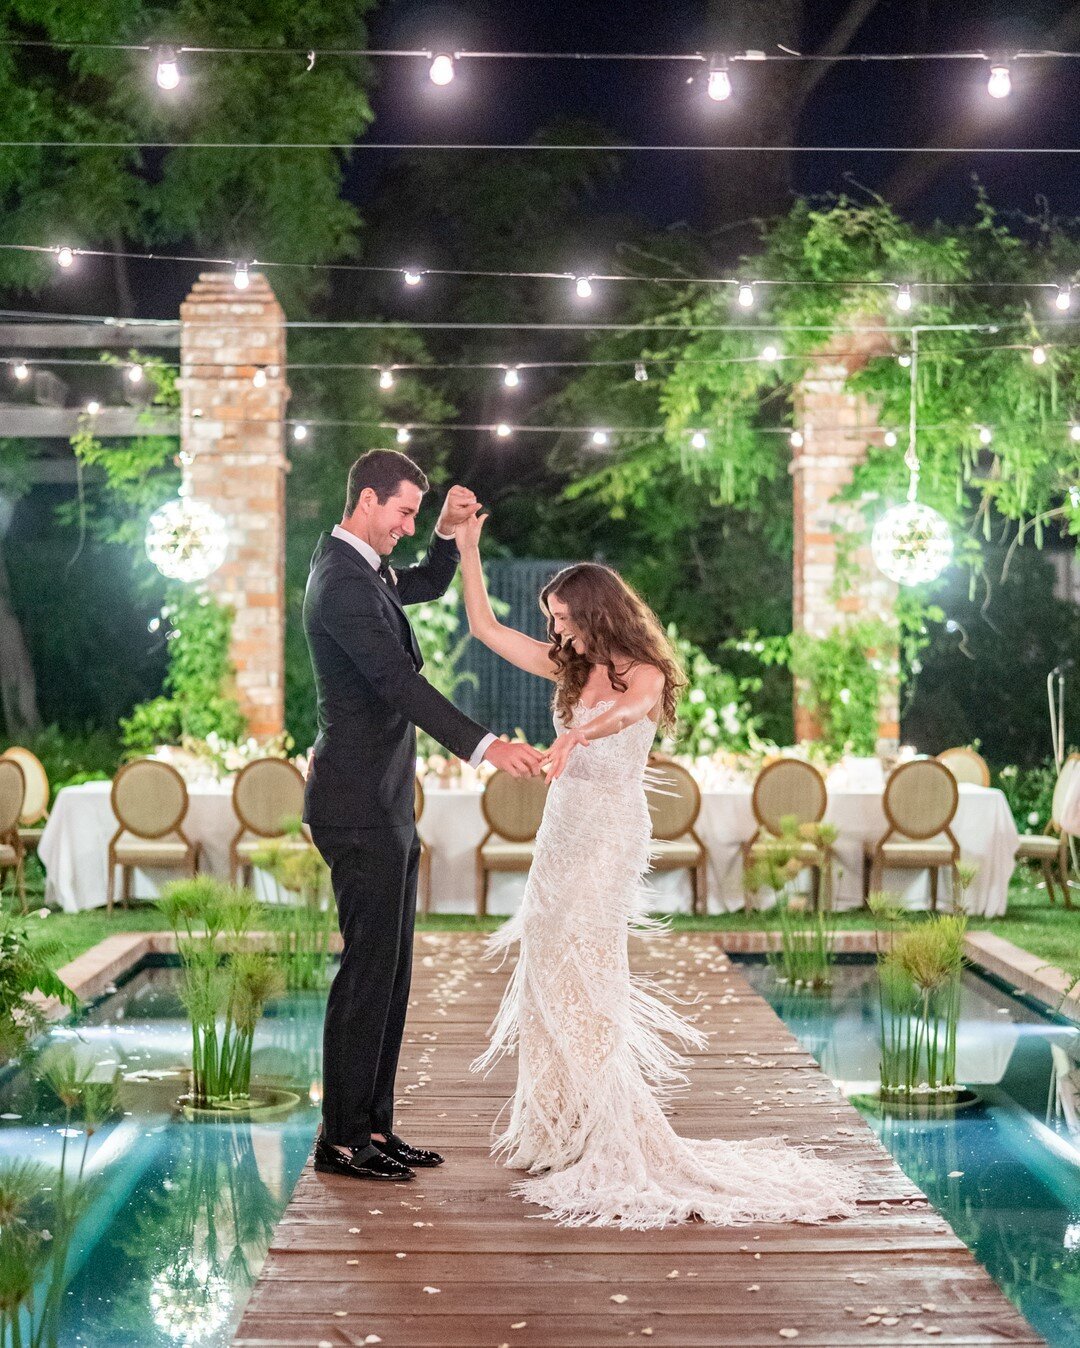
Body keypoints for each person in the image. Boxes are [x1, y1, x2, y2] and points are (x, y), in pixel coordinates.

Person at [458, 510, 860, 1228]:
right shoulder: (570, 665)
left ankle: (606, 1123)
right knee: (547, 961)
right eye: (553, 621)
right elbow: (487, 629)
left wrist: (580, 731)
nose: (559, 633)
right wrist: (467, 549)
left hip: (609, 831)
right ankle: (558, 1125)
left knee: (591, 966)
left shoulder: (642, 670)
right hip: (562, 830)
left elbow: (631, 709)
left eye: (565, 619)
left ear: (596, 611)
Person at [302, 450, 543, 1183]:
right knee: (366, 974)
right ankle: (341, 1141)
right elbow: (397, 683)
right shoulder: (342, 582)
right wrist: (485, 745)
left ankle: (374, 1126)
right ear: (367, 499)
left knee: (393, 973)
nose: (407, 527)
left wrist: (446, 535)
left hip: (383, 804)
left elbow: (430, 583)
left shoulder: (361, 566)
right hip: (355, 807)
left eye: (415, 515)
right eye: (403, 513)